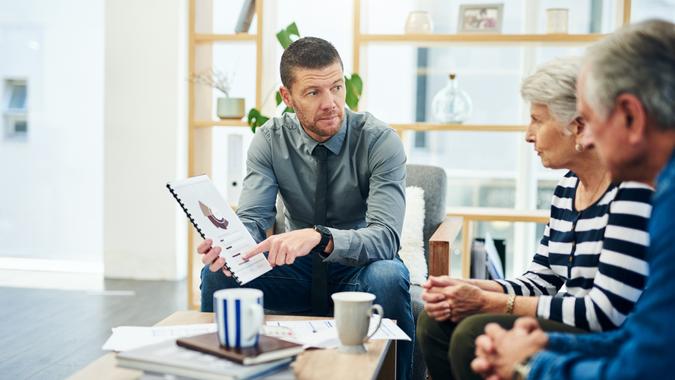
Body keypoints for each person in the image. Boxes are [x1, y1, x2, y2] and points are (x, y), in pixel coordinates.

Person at [416, 57, 654, 380]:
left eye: (537, 121)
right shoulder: (567, 188)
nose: (528, 135)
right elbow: (540, 281)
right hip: (569, 318)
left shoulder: (630, 191)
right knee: (434, 322)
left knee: (472, 335)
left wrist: (489, 302)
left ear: (579, 127)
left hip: (608, 337)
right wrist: (470, 287)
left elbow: (603, 313)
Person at [197, 37, 414, 380]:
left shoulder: (379, 140)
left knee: (388, 274)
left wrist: (320, 237)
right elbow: (254, 219)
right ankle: (215, 374)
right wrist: (230, 246)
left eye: (337, 87)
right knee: (218, 272)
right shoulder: (270, 140)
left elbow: (385, 238)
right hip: (292, 270)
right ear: (288, 97)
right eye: (314, 93)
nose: (331, 103)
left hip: (357, 270)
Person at [471, 19, 675, 380]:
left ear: (632, 117)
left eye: (591, 121)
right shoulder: (660, 186)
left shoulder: (658, 198)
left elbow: (642, 367)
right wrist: (550, 347)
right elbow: (643, 340)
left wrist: (528, 365)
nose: (589, 138)